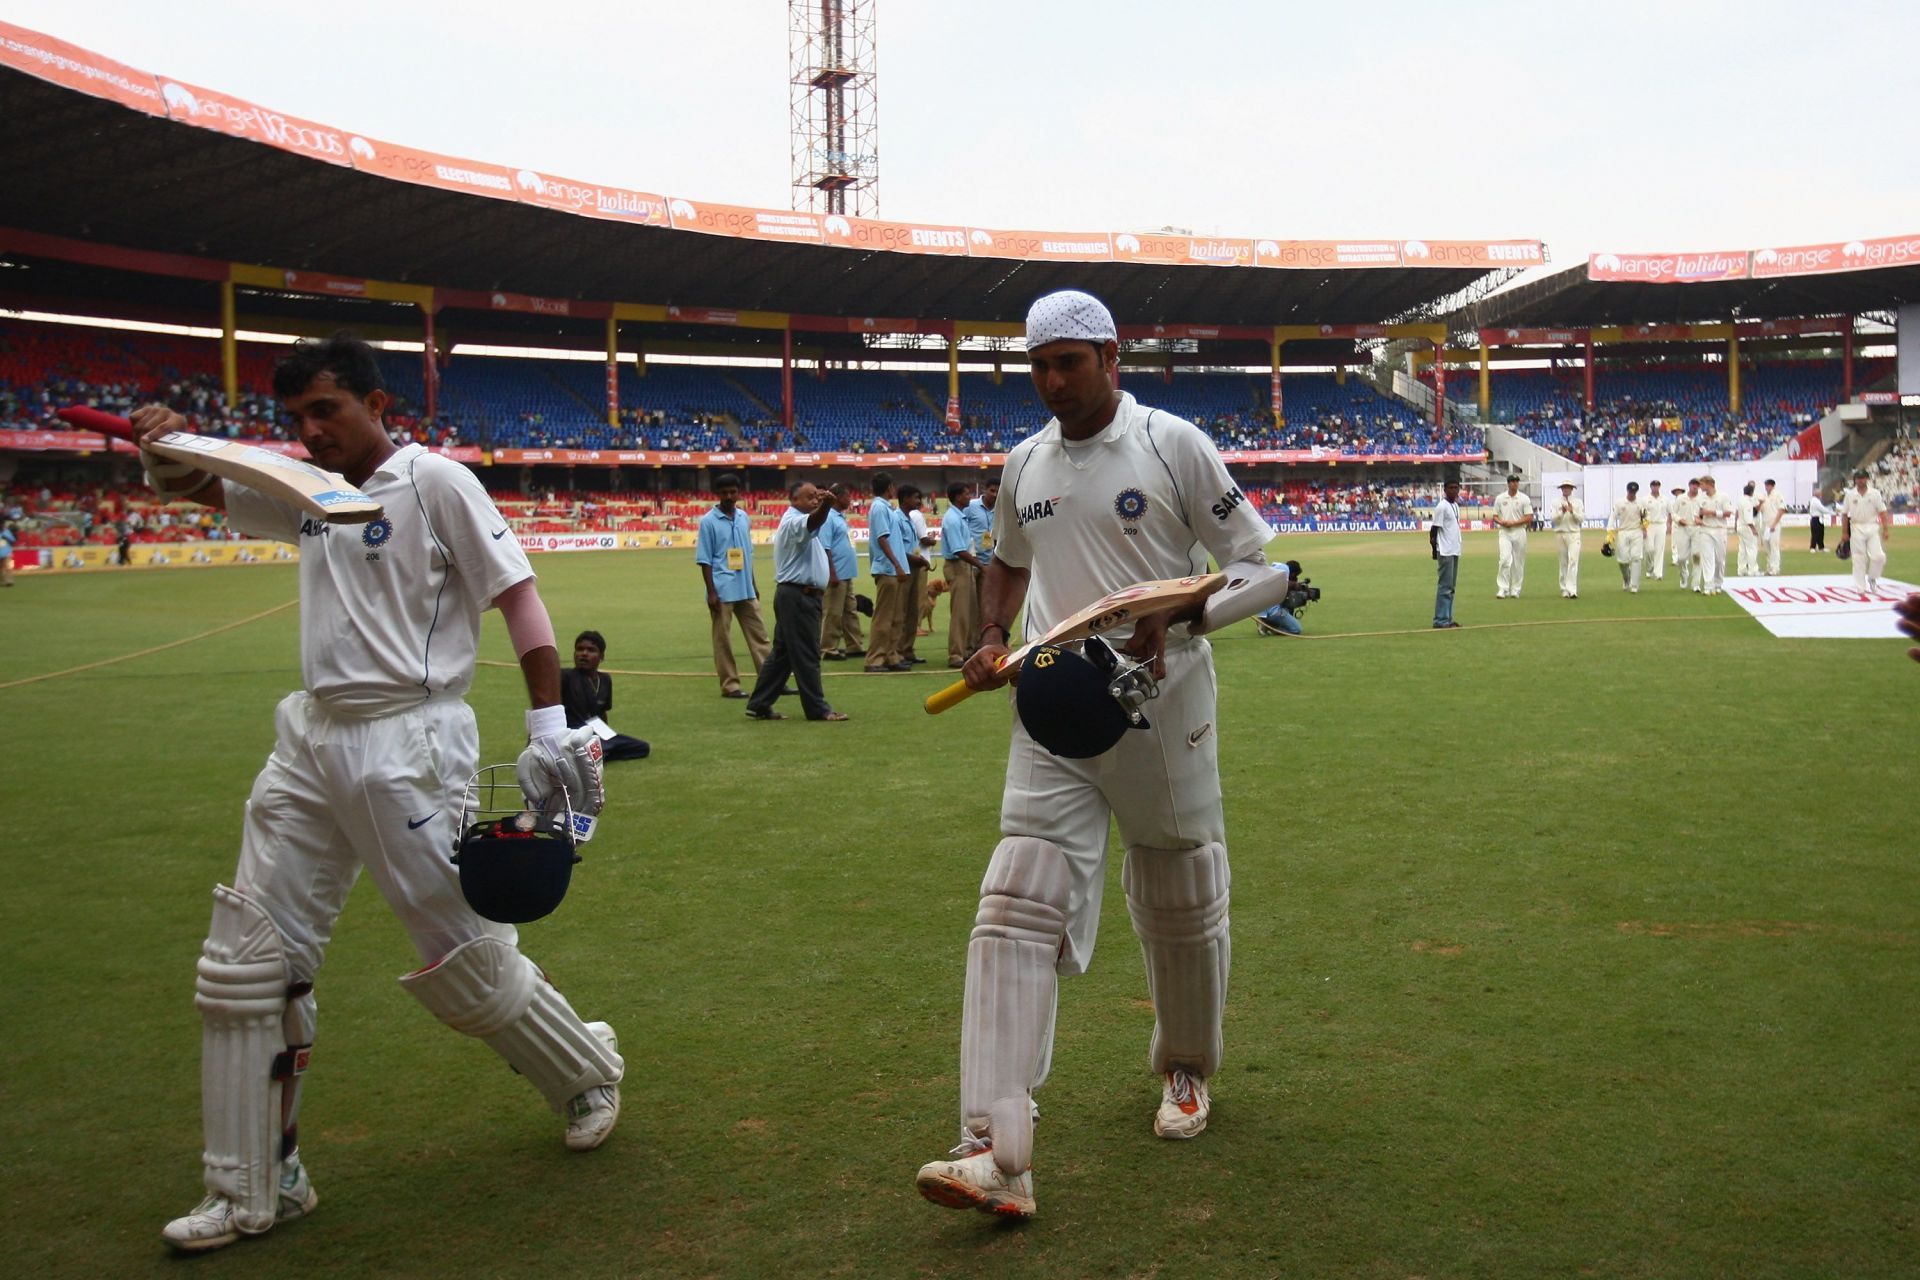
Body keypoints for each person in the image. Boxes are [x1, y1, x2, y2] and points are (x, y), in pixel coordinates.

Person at [135, 334, 620, 1254]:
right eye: (298, 419)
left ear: (374, 402)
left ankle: (586, 1070)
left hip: (412, 738)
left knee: (464, 954)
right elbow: (207, 488)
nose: (313, 433)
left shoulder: (434, 482)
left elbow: (517, 593)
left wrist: (551, 725)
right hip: (310, 736)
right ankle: (252, 1184)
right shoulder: (309, 494)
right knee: (245, 961)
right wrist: (167, 445)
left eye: (329, 411)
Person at [913, 290, 1293, 1221]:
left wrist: (1180, 610)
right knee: (1016, 899)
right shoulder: (1023, 462)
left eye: (1069, 364)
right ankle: (993, 1147)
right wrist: (994, 628)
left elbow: (1263, 567)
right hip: (1052, 702)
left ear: (1110, 357)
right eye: (1040, 367)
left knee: (1180, 896)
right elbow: (1006, 557)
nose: (1053, 383)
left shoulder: (1171, 443)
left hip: (1161, 707)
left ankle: (1188, 1072)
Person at [744, 482, 847, 722]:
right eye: (809, 497)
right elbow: (813, 522)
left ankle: (759, 703)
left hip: (796, 595)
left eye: (816, 496)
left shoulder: (798, 520)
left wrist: (822, 506)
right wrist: (826, 506)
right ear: (794, 500)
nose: (814, 500)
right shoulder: (794, 522)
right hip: (800, 596)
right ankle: (817, 709)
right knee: (808, 653)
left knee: (784, 654)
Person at [695, 472, 770, 699]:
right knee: (723, 640)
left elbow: (748, 554)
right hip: (722, 589)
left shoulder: (744, 517)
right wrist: (711, 591)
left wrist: (754, 583)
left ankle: (770, 679)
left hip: (745, 587)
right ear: (717, 494)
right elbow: (705, 559)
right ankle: (730, 685)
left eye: (733, 492)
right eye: (724, 492)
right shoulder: (708, 521)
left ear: (739, 493)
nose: (729, 496)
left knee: (761, 636)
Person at [560, 630, 651, 761]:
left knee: (642, 747)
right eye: (580, 649)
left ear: (601, 656)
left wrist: (607, 735)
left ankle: (600, 753)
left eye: (591, 650)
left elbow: (602, 713)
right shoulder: (565, 677)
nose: (584, 654)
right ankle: (597, 753)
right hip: (575, 734)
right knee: (593, 747)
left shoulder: (605, 680)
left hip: (597, 733)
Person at [863, 472, 911, 672]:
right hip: (888, 569)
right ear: (890, 487)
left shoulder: (885, 508)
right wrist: (897, 564)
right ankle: (874, 659)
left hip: (894, 569)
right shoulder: (879, 508)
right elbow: (882, 539)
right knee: (883, 617)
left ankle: (891, 655)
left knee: (896, 617)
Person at [818, 482, 865, 661]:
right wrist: (832, 572)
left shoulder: (839, 516)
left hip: (846, 573)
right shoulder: (828, 517)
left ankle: (854, 645)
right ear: (837, 497)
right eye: (847, 496)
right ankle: (828, 648)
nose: (850, 499)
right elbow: (825, 547)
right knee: (833, 612)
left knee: (849, 611)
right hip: (836, 573)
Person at [941, 482, 984, 667]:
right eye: (966, 493)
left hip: (965, 566)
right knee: (960, 613)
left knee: (970, 611)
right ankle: (956, 654)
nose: (969, 497)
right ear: (957, 497)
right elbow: (958, 550)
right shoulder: (952, 519)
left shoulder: (960, 517)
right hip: (958, 565)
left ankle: (967, 649)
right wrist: (981, 565)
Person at [897, 483, 934, 664]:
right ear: (905, 499)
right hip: (905, 568)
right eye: (915, 497)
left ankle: (907, 650)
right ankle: (897, 651)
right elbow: (898, 548)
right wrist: (917, 559)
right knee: (901, 612)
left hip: (913, 566)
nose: (919, 501)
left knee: (912, 611)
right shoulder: (897, 518)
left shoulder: (909, 519)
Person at [1841, 467, 1891, 592]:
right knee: (1858, 558)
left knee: (1878, 556)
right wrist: (1844, 532)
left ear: (1867, 479)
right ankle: (1860, 587)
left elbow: (1883, 512)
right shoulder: (1850, 494)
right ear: (1855, 480)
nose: (1860, 481)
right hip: (1856, 527)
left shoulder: (1875, 493)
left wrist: (1885, 529)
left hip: (1872, 526)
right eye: (1858, 478)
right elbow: (1844, 514)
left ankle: (1872, 578)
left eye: (1863, 478)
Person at [1491, 474, 1532, 599]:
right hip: (1505, 532)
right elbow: (1495, 516)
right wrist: (1502, 522)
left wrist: (1513, 523)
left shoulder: (1524, 498)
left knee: (1518, 562)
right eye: (1512, 481)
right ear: (1508, 483)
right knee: (1504, 559)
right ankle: (1503, 588)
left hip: (1519, 531)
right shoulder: (1500, 498)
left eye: (1516, 481)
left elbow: (1529, 517)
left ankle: (1515, 589)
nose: (1515, 483)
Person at [1429, 478, 1463, 627]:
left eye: (1456, 488)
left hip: (1454, 549)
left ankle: (1447, 618)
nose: (1454, 490)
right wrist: (1434, 551)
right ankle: (1440, 619)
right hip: (1445, 550)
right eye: (1451, 488)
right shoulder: (1441, 507)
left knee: (1451, 587)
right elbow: (1434, 530)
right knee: (1445, 586)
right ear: (1445, 490)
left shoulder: (1455, 505)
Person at [965, 479, 999, 626]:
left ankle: (981, 640)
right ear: (984, 489)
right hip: (971, 561)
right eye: (992, 491)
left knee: (986, 605)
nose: (995, 494)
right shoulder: (971, 506)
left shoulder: (1000, 509)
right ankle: (968, 643)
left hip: (989, 563)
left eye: (998, 491)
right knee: (969, 605)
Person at [1695, 475, 1733, 595]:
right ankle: (1708, 585)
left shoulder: (1723, 496)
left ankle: (1718, 584)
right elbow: (1697, 515)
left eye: (1702, 484)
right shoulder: (1700, 498)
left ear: (1709, 484)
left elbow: (1728, 513)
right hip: (1705, 530)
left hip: (1720, 530)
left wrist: (1711, 512)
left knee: (1719, 559)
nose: (1700, 487)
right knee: (1707, 558)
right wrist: (1698, 520)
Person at [1609, 481, 1646, 593]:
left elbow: (1645, 517)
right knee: (1623, 560)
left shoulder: (1641, 503)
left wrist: (1645, 528)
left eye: (1634, 492)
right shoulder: (1620, 503)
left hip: (1636, 531)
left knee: (1636, 558)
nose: (1632, 494)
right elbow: (1612, 517)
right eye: (1630, 492)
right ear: (1627, 491)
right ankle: (1626, 579)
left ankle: (1634, 585)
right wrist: (1610, 532)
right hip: (1623, 532)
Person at [1549, 480, 1584, 598]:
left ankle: (1572, 589)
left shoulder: (1578, 502)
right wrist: (1562, 512)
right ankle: (1564, 589)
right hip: (1560, 534)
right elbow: (1553, 519)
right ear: (1561, 489)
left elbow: (1581, 519)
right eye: (1564, 488)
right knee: (1563, 562)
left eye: (1568, 487)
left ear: (1572, 489)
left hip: (1574, 534)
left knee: (1573, 561)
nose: (1566, 490)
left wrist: (1572, 511)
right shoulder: (1556, 502)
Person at [1255, 560, 1305, 635]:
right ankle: (1270, 627)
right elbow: (1285, 583)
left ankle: (1265, 623)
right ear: (1293, 573)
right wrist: (1296, 585)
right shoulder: (1284, 568)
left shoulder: (1275, 568)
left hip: (1262, 611)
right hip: (1274, 612)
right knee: (1296, 630)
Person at [1671, 478, 1701, 590]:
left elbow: (1704, 513)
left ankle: (1696, 584)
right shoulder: (1680, 498)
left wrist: (1701, 519)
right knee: (1682, 558)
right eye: (1693, 484)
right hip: (1682, 529)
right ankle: (1684, 575)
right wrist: (1679, 520)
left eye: (1697, 485)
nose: (1695, 487)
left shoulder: (1701, 499)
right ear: (1689, 485)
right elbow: (1673, 513)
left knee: (1697, 556)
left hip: (1697, 529)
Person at [1642, 479, 1670, 582]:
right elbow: (1642, 514)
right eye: (1653, 486)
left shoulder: (1665, 499)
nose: (1655, 487)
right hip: (1649, 525)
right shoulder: (1645, 499)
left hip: (1661, 524)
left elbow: (1670, 512)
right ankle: (1649, 568)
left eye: (1657, 485)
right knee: (1649, 549)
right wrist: (1643, 528)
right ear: (1651, 487)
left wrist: (1669, 524)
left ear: (1659, 487)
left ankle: (1658, 573)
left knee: (1659, 549)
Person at [1736, 481, 1762, 577]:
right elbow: (1748, 518)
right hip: (1747, 527)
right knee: (1752, 548)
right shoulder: (1747, 502)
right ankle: (1753, 570)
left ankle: (1741, 570)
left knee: (1742, 549)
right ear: (1751, 492)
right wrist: (1753, 528)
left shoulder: (1740, 499)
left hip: (1740, 525)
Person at [1760, 478, 1785, 575]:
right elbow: (1761, 510)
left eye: (1768, 485)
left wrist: (1774, 523)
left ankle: (1775, 568)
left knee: (1774, 546)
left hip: (1774, 524)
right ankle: (1769, 568)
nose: (1766, 487)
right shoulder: (1764, 496)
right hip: (1765, 524)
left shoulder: (1778, 495)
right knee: (1767, 547)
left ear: (1772, 486)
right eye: (1765, 485)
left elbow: (1782, 509)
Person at [1808, 489, 1830, 553]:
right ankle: (1812, 547)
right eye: (1820, 493)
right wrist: (1832, 512)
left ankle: (1821, 547)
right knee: (1815, 534)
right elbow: (1822, 509)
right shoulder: (1815, 501)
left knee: (1821, 533)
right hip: (1816, 519)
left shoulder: (1817, 500)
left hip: (1820, 519)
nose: (1821, 495)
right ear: (1816, 494)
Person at [0, 519, 14, 587]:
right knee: (1, 568)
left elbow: (13, 541)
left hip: (6, 552)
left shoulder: (7, 532)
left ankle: (9, 581)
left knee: (8, 566)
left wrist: (6, 538)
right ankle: (2, 581)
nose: (2, 526)